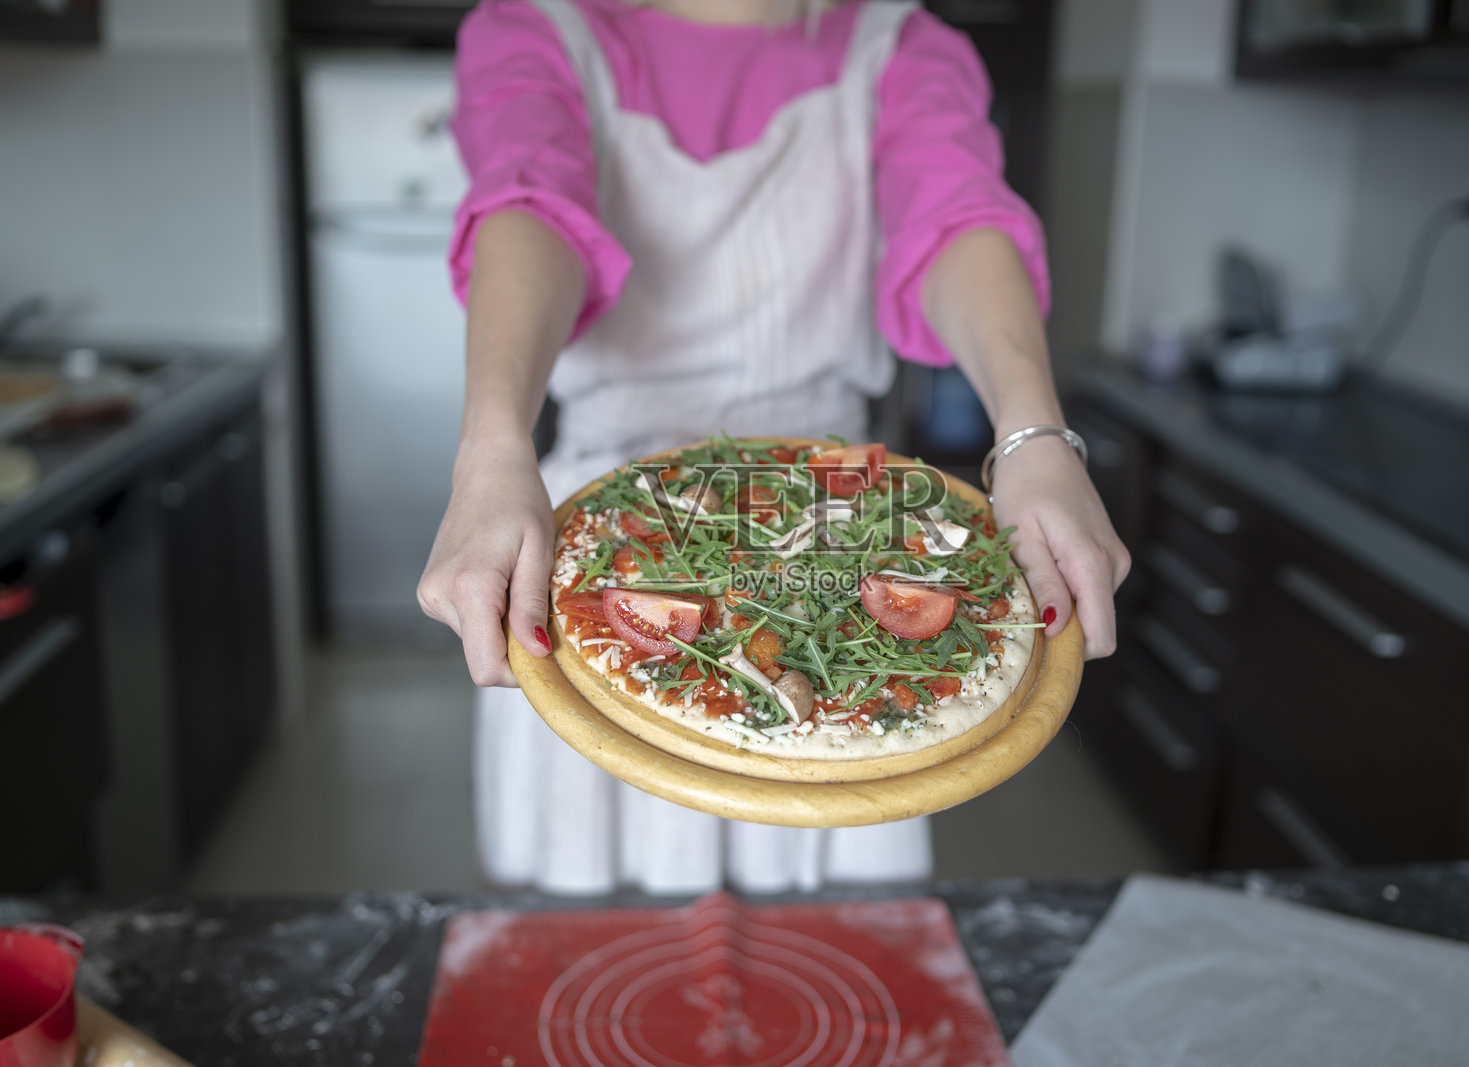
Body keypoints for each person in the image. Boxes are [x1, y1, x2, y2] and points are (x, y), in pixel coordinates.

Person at [418, 0, 1131, 895]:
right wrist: (491, 449)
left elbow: (955, 216)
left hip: (840, 511)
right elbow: (536, 207)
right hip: (608, 538)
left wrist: (1032, 435)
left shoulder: (896, 41)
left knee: (831, 946)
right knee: (601, 943)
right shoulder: (537, 25)